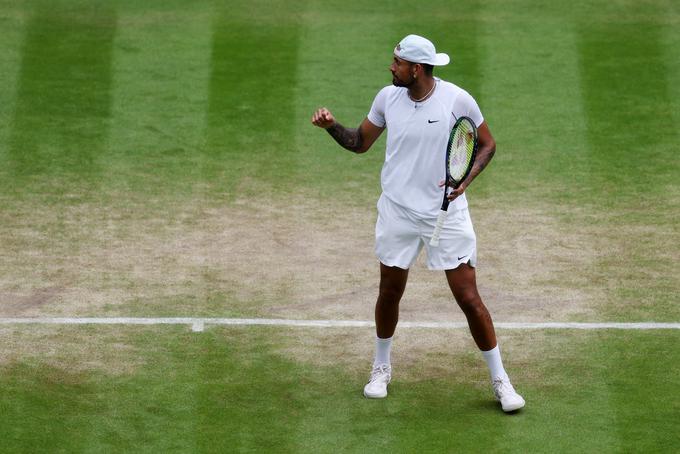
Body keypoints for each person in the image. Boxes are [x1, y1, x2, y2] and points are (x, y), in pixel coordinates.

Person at [311, 34, 525, 412]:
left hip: (446, 212)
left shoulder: (457, 99)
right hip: (397, 211)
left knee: (469, 298)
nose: (391, 67)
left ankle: (500, 380)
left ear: (417, 68)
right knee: (389, 292)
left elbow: (487, 144)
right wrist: (331, 126)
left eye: (397, 63)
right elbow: (360, 142)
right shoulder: (387, 98)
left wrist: (464, 180)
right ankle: (381, 368)